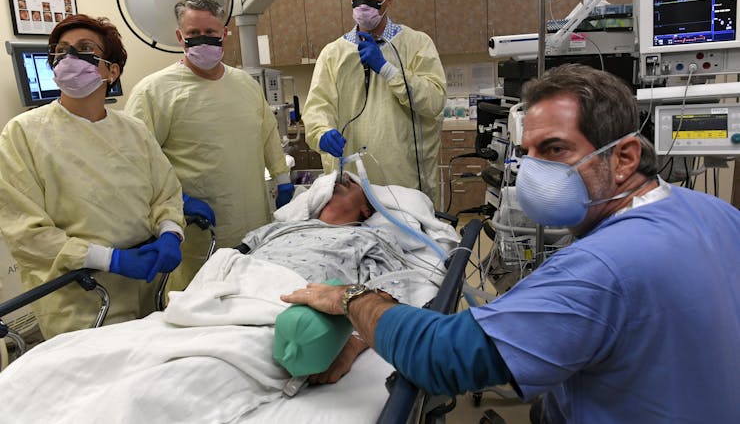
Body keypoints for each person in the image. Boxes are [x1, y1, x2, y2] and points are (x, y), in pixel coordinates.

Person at [284, 64, 740, 423]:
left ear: (624, 157)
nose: (531, 172)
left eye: (555, 150)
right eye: (527, 152)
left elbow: (438, 356)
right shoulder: (716, 213)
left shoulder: (603, 268)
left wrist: (351, 297)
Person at [0, 173, 451, 423]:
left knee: (172, 384)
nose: (339, 179)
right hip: (220, 298)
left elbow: (392, 297)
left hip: (284, 307)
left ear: (367, 208)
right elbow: (231, 261)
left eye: (350, 182)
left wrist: (352, 345)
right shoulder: (280, 226)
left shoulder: (366, 241)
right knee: (61, 361)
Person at [0, 14, 185, 339]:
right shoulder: (22, 134)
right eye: (60, 51)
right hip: (81, 297)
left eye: (84, 50)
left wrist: (170, 231)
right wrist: (109, 259)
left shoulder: (134, 130)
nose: (68, 58)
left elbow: (165, 193)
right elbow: (25, 232)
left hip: (146, 286)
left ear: (111, 71)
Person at [124, 0, 294, 293]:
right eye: (193, 34)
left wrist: (282, 178)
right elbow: (136, 162)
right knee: (202, 311)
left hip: (253, 222)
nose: (202, 40)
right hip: (198, 231)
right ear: (180, 36)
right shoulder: (154, 92)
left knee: (254, 299)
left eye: (211, 34)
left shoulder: (244, 84)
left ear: (224, 34)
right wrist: (179, 204)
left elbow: (267, 133)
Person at [302, 0, 446, 206]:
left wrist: (388, 69)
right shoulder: (333, 53)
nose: (364, 1)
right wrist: (322, 133)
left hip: (404, 183)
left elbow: (434, 101)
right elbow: (317, 107)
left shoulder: (417, 44)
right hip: (352, 185)